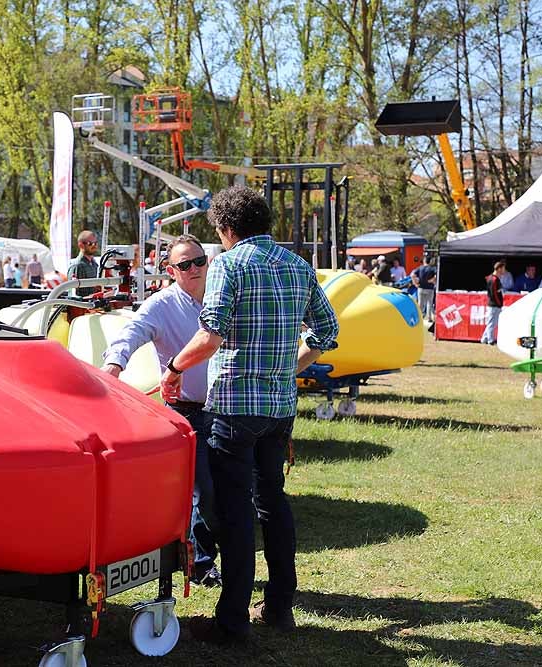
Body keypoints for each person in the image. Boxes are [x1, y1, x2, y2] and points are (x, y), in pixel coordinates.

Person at [159, 186, 339, 642]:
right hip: (279, 409)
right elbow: (327, 331)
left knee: (235, 513)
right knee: (273, 504)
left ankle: (232, 620)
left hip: (235, 407)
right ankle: (279, 607)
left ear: (225, 228)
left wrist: (175, 367)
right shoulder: (298, 266)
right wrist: (288, 367)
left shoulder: (229, 264)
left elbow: (212, 331)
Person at [101, 234, 221, 587]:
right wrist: (114, 365)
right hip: (185, 411)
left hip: (225, 407)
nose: (194, 269)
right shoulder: (160, 305)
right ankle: (199, 562)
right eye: (185, 265)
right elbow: (131, 333)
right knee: (204, 490)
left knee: (223, 489)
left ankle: (203, 558)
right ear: (171, 270)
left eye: (199, 261)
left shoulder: (220, 296)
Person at [67, 230, 100, 296]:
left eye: (95, 243)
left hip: (94, 304)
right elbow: (76, 293)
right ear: (81, 245)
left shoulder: (94, 264)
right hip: (82, 305)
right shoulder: (77, 265)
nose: (94, 245)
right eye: (90, 243)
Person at [481, 261, 505, 345]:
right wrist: (499, 303)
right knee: (491, 323)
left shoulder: (494, 278)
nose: (504, 271)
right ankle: (490, 340)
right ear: (499, 269)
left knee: (491, 323)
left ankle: (484, 338)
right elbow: (493, 294)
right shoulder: (493, 279)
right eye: (502, 269)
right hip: (494, 305)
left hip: (494, 304)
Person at [412, 256, 436, 321]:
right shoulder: (432, 268)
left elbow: (412, 275)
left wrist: (415, 283)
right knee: (429, 303)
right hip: (429, 288)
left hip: (420, 288)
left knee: (420, 303)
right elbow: (436, 275)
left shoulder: (420, 268)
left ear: (424, 261)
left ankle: (419, 318)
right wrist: (431, 280)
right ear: (430, 261)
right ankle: (429, 318)